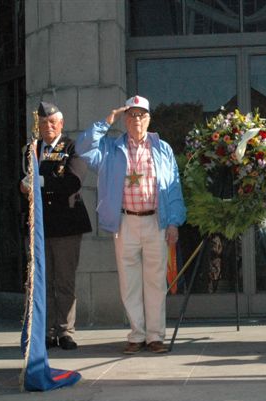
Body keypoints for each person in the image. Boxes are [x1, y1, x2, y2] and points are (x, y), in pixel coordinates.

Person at [76, 95, 186, 354]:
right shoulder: (111, 148)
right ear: (125, 119)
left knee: (155, 281)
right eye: (132, 115)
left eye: (142, 115)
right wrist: (106, 121)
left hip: (156, 221)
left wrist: (174, 222)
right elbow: (83, 148)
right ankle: (137, 334)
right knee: (130, 282)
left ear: (149, 119)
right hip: (125, 222)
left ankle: (155, 335)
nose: (137, 120)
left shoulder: (162, 148)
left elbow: (173, 186)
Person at [20, 102, 92, 350]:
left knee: (64, 280)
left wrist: (40, 181)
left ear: (61, 124)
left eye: (52, 122)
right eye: (42, 123)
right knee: (43, 281)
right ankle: (47, 330)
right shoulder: (32, 149)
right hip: (39, 225)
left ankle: (65, 330)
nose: (47, 126)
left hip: (66, 225)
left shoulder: (73, 147)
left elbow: (72, 181)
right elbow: (20, 183)